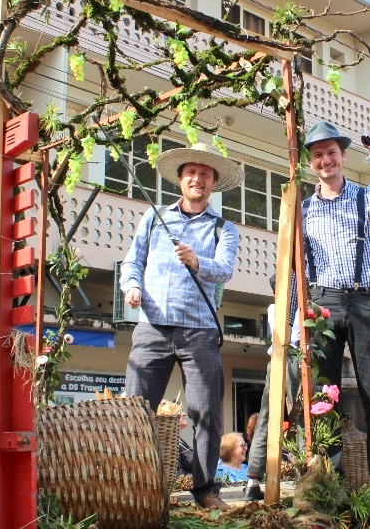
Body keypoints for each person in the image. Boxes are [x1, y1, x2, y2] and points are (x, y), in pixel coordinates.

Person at [119, 140, 243, 510]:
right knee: (136, 411)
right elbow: (131, 262)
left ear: (213, 182)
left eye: (205, 174)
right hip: (152, 327)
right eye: (191, 172)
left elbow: (224, 270)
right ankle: (132, 487)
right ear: (180, 179)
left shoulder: (224, 228)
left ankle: (206, 491)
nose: (197, 179)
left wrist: (196, 260)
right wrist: (132, 286)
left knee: (206, 413)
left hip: (199, 332)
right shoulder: (154, 216)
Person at [300, 120, 370, 503]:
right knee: (323, 394)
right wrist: (298, 308)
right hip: (324, 301)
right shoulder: (303, 209)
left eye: (331, 153)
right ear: (311, 163)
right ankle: (328, 476)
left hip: (365, 299)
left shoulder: (366, 196)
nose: (325, 160)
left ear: (343, 157)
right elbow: (297, 263)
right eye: (317, 155)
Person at [244, 273, 301, 502]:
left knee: (266, 418)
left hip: (275, 361)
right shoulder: (295, 307)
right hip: (295, 358)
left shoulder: (272, 307)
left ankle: (252, 481)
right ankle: (304, 475)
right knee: (301, 416)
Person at [176, 410, 195, 477]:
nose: (184, 414)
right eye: (179, 411)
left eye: (183, 411)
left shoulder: (180, 441)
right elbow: (179, 475)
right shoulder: (169, 446)